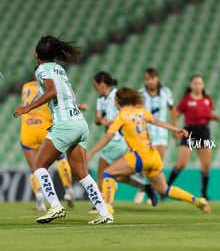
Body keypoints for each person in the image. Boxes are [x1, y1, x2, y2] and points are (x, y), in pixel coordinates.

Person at [14, 35, 113, 225]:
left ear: (37, 54)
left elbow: (52, 92)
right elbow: (65, 95)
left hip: (66, 124)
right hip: (78, 123)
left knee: (38, 166)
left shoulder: (42, 69)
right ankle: (104, 212)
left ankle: (55, 206)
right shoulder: (59, 69)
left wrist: (28, 107)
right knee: (81, 172)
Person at [86, 87, 211, 215]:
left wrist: (91, 152)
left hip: (139, 155)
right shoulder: (140, 111)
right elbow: (156, 121)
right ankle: (196, 200)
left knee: (107, 174)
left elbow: (108, 136)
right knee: (163, 189)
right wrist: (176, 129)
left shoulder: (122, 115)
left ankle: (107, 208)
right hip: (153, 155)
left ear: (118, 102)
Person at [90, 71, 157, 213]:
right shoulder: (100, 99)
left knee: (103, 172)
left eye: (95, 85)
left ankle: (103, 203)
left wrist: (114, 122)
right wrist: (102, 120)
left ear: (102, 84)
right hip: (114, 140)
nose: (94, 88)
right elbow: (97, 119)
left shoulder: (117, 96)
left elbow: (130, 112)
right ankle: (145, 187)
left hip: (118, 140)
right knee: (118, 175)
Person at [20, 77, 87, 211]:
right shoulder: (48, 88)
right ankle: (68, 190)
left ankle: (39, 197)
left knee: (35, 168)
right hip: (45, 129)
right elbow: (58, 102)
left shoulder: (25, 86)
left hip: (27, 130)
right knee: (61, 158)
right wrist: (78, 105)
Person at [167, 74, 220, 200]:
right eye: (195, 83)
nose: (198, 85)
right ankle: (166, 188)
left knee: (206, 165)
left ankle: (204, 193)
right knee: (181, 164)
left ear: (203, 85)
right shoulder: (186, 100)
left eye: (200, 83)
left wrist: (214, 116)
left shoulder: (208, 99)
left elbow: (205, 112)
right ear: (191, 85)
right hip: (189, 132)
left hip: (203, 132)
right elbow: (176, 114)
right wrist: (175, 128)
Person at [134, 68, 176, 203]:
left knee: (158, 162)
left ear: (157, 78)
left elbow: (172, 109)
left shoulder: (166, 92)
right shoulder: (140, 94)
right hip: (145, 133)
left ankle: (152, 191)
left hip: (161, 132)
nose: (150, 81)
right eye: (147, 79)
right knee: (146, 162)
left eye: (152, 78)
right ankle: (144, 187)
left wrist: (174, 128)